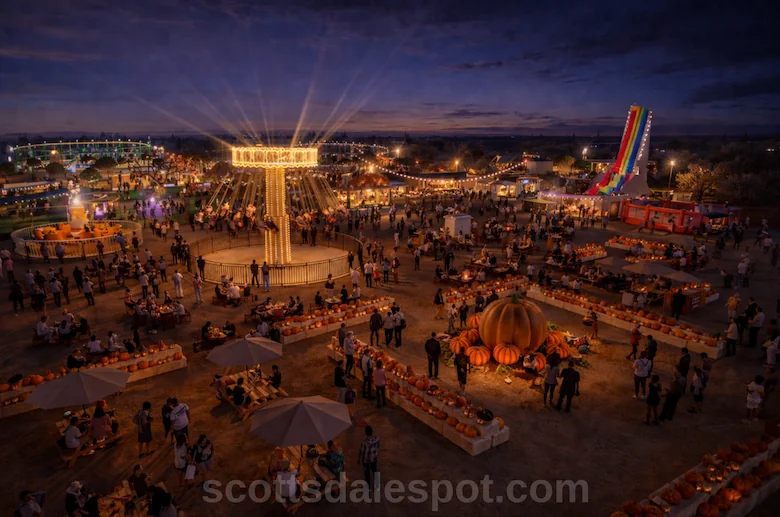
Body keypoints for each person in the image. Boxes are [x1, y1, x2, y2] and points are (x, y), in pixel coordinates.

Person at [358, 425, 380, 490]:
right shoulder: (377, 439)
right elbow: (378, 446)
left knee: (367, 473)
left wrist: (358, 459)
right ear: (372, 432)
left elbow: (361, 451)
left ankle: (368, 487)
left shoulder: (364, 442)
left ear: (365, 433)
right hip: (374, 458)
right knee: (374, 471)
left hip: (366, 460)